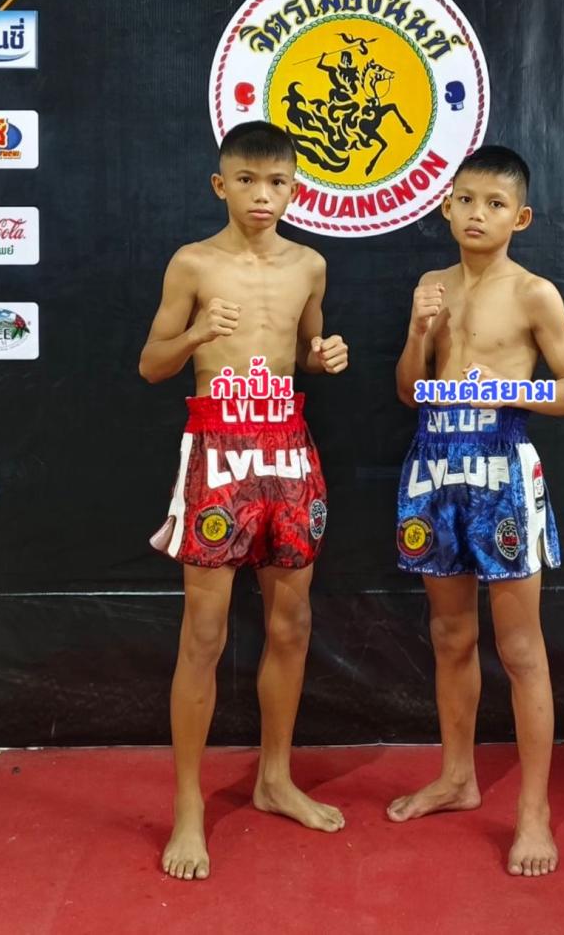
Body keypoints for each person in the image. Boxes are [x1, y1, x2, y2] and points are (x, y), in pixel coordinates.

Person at [139, 120, 349, 881]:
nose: (263, 195)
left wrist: (327, 356)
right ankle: (189, 809)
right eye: (248, 181)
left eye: (278, 182)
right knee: (204, 633)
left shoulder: (311, 265)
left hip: (288, 449)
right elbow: (152, 365)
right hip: (218, 451)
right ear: (220, 185)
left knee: (291, 624)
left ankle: (275, 779)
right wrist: (196, 332)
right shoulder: (192, 262)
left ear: (296, 189)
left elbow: (309, 351)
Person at [390, 145, 564, 877]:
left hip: (502, 465)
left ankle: (534, 812)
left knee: (520, 649)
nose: (478, 214)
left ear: (521, 218)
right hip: (434, 464)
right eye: (467, 200)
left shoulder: (535, 293)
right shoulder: (431, 285)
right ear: (447, 206)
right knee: (450, 635)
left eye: (495, 204)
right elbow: (409, 391)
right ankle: (457, 777)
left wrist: (510, 391)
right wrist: (419, 333)